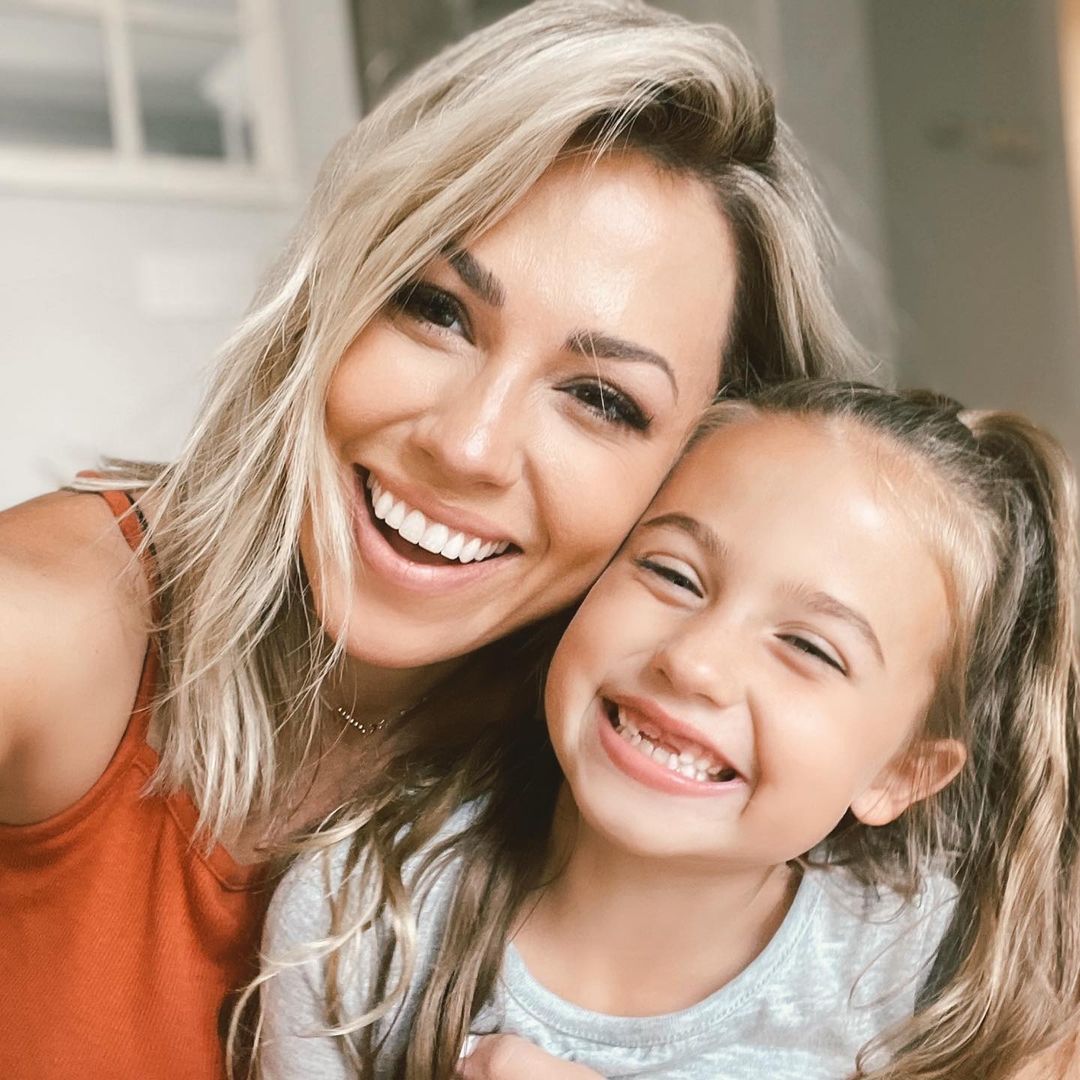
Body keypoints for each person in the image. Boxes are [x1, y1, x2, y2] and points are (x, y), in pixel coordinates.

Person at [0, 3, 864, 1079]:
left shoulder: (695, 779)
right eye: (436, 309)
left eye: (600, 398)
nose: (469, 444)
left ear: (701, 474)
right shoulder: (70, 620)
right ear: (336, 289)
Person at [258, 381, 1080, 1080]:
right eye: (672, 573)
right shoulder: (359, 918)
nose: (694, 663)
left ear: (899, 773)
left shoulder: (946, 975)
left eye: (807, 647)